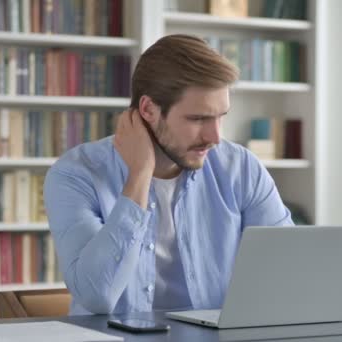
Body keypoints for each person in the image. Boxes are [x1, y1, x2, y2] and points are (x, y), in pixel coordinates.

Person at [43, 34, 293, 315]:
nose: (215, 137)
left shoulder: (241, 168)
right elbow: (97, 296)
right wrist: (139, 174)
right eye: (198, 119)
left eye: (221, 116)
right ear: (149, 109)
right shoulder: (76, 174)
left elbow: (286, 273)